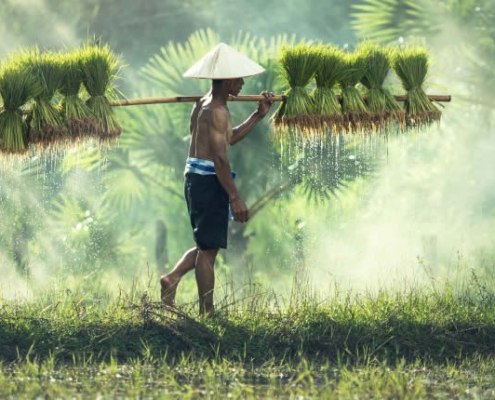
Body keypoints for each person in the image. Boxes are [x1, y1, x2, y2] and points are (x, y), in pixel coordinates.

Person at [160, 43, 274, 316]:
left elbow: (228, 138)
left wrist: (258, 115)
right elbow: (221, 160)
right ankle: (207, 312)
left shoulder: (203, 104)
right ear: (227, 80)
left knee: (205, 245)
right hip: (208, 181)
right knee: (209, 253)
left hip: (194, 177)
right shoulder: (218, 112)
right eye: (239, 78)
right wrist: (235, 197)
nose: (243, 82)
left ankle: (172, 279)